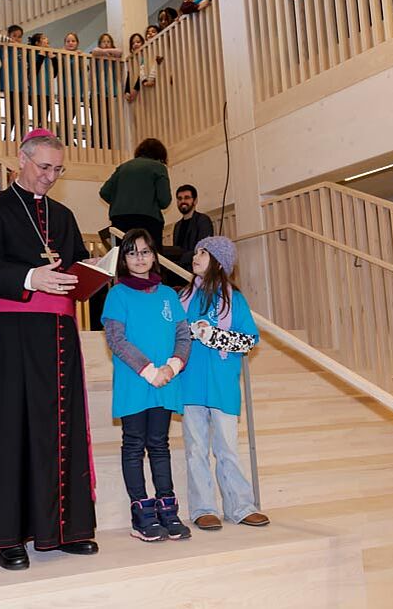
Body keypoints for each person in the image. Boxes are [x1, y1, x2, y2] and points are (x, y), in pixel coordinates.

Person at [0, 129, 99, 570]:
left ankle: (64, 530)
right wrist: (31, 277)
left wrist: (93, 272)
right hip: (15, 333)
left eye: (58, 169)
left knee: (61, 429)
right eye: (44, 167)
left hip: (60, 335)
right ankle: (11, 537)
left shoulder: (63, 214)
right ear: (20, 160)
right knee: (13, 431)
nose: (50, 176)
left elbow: (76, 263)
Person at [102, 229, 192, 542]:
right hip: (135, 382)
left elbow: (183, 335)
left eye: (145, 251)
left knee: (159, 444)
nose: (139, 258)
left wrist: (173, 366)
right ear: (124, 259)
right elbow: (116, 339)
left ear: (154, 255)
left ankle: (168, 508)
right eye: (132, 252)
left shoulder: (168, 294)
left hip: (165, 381)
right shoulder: (117, 294)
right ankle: (142, 513)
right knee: (134, 444)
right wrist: (149, 370)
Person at [179, 236, 270, 531]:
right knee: (196, 450)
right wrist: (191, 332)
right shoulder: (183, 297)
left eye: (203, 252)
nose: (196, 256)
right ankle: (203, 508)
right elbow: (172, 335)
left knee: (227, 449)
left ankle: (240, 507)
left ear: (219, 262)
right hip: (190, 385)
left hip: (223, 387)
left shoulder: (235, 300)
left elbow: (249, 340)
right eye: (196, 251)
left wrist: (214, 336)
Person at [99, 137, 172, 250]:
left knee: (123, 254)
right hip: (148, 221)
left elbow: (104, 192)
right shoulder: (159, 167)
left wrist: (119, 202)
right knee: (149, 254)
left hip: (120, 221)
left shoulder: (123, 167)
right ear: (160, 155)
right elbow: (164, 200)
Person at [170, 184, 214, 271]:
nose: (183, 201)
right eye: (179, 198)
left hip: (197, 269)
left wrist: (181, 259)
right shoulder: (177, 226)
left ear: (195, 201)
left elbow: (203, 248)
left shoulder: (203, 220)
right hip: (180, 270)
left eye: (187, 198)